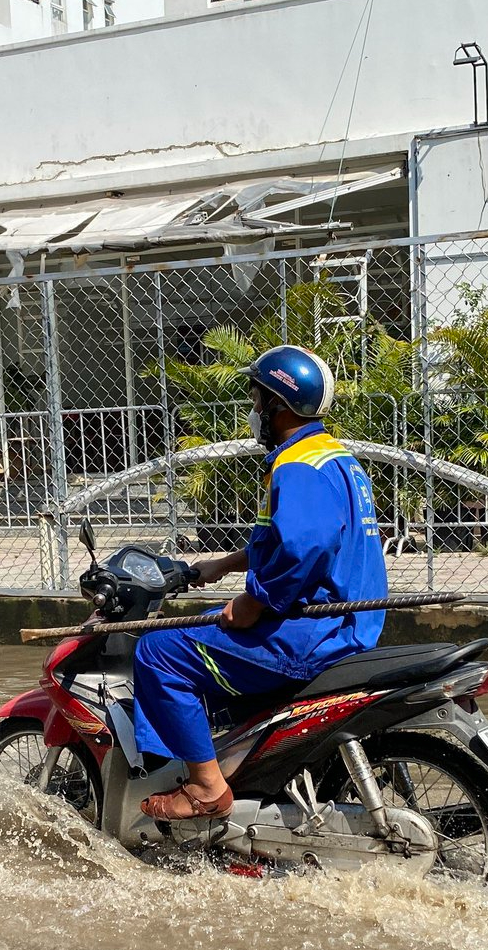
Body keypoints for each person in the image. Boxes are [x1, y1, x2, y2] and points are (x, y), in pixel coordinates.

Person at [133, 344, 387, 821]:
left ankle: (207, 787)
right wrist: (226, 564)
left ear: (277, 404)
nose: (253, 414)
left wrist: (254, 602)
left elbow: (303, 547)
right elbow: (294, 538)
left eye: (256, 402)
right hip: (352, 624)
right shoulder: (334, 458)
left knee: (159, 651)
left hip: (308, 634)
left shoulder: (295, 467)